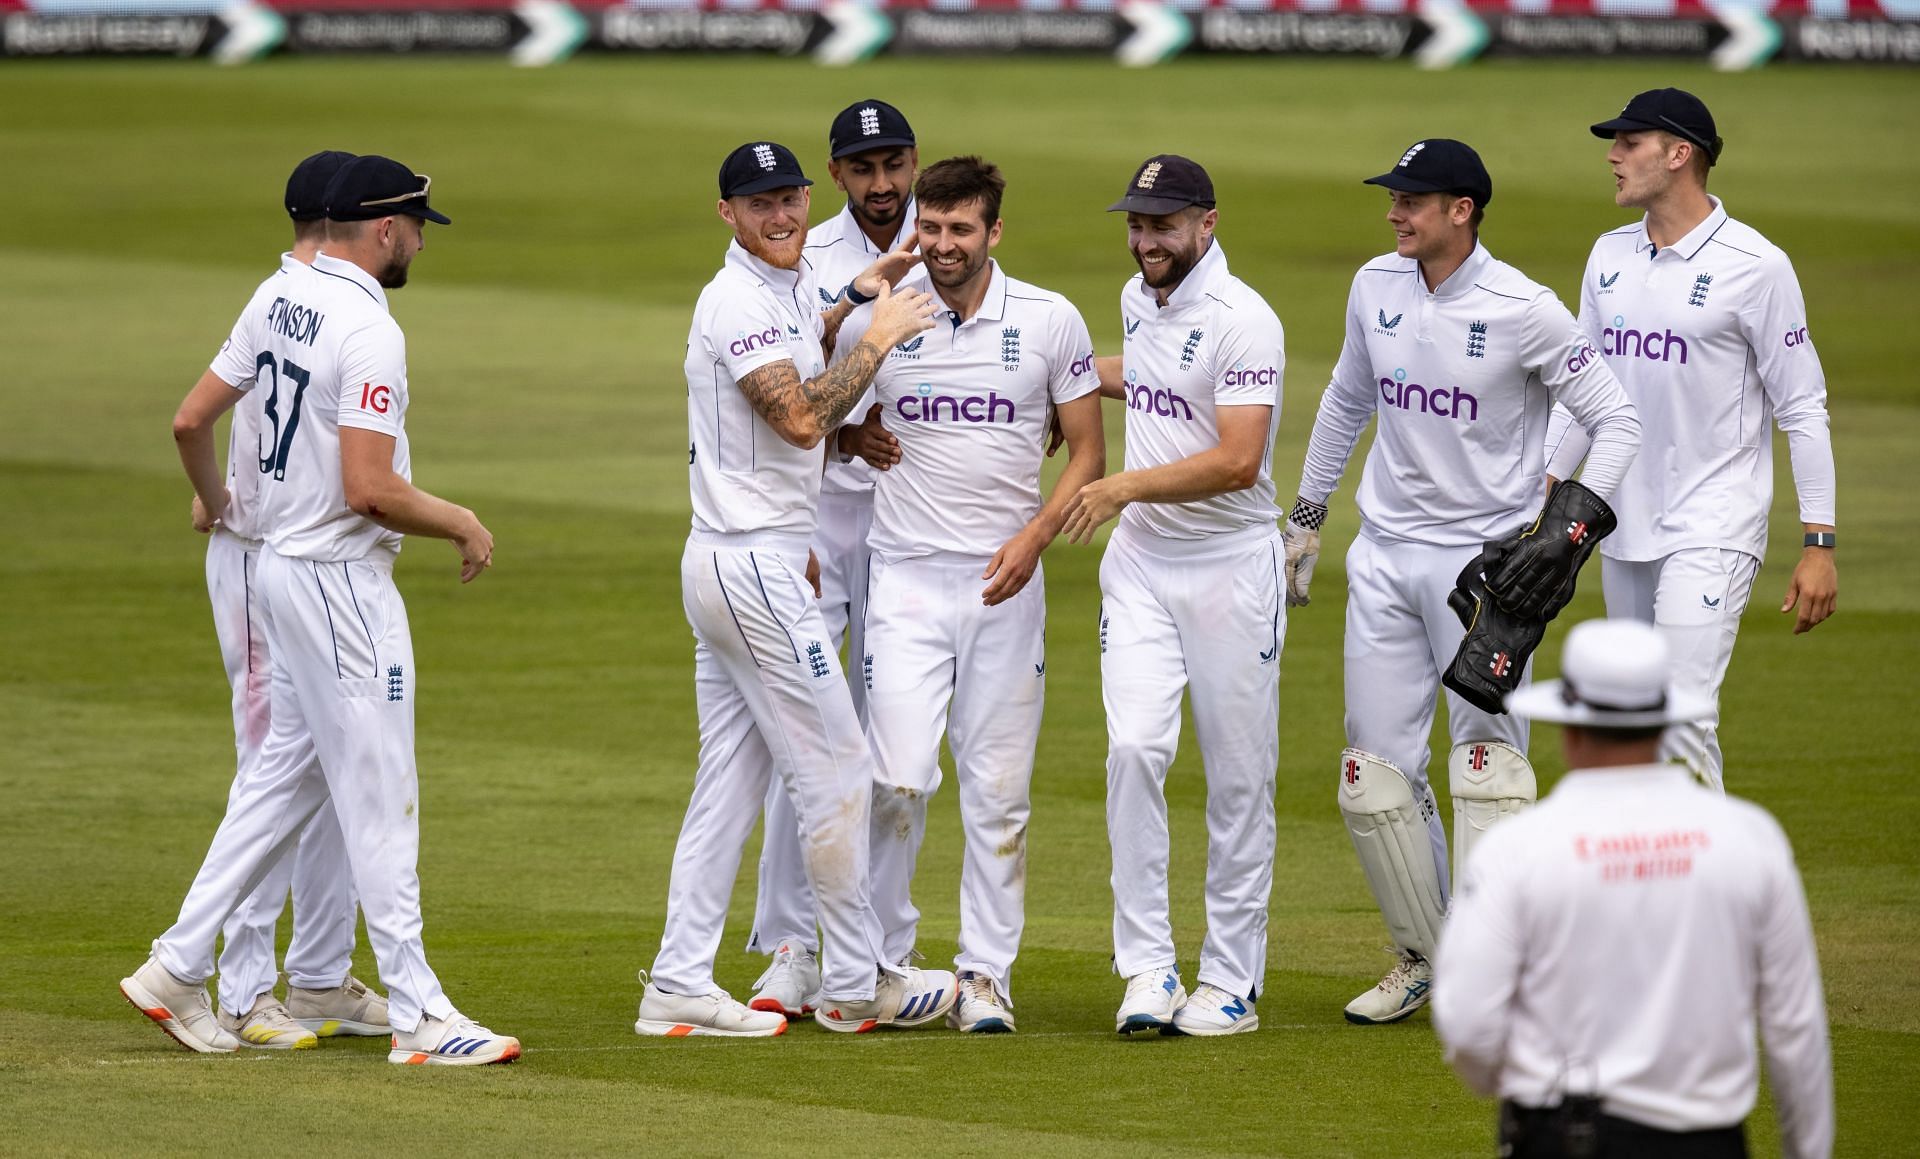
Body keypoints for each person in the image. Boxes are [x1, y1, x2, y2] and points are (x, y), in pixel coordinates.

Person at [126, 155, 520, 1065]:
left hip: (274, 572)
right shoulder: (370, 330)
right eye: (418, 224)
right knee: (380, 797)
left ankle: (178, 965)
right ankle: (422, 1016)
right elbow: (371, 488)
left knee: (281, 783)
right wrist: (460, 520)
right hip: (340, 584)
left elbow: (194, 419)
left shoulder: (279, 293)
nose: (422, 238)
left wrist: (224, 504)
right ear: (384, 231)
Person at [1283, 140, 1640, 1026]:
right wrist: (1306, 515)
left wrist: (1570, 526)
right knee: (1374, 776)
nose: (1396, 212)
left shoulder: (1525, 308)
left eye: (1413, 199)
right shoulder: (1376, 285)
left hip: (1483, 572)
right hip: (1383, 555)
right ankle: (1427, 958)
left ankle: (1509, 962)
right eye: (1394, 198)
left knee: (1488, 766)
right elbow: (1344, 399)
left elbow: (1617, 416)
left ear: (1462, 210)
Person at [635, 140, 955, 1038]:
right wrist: (882, 334)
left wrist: (851, 301)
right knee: (841, 762)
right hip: (751, 563)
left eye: (790, 200)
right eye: (758, 204)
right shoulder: (735, 297)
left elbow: (794, 349)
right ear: (727, 215)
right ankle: (858, 981)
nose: (779, 217)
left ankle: (678, 980)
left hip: (741, 557)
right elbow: (804, 415)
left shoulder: (773, 292)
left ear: (807, 201)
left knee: (731, 780)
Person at [836, 155, 1104, 1034]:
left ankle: (986, 975)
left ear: (994, 233)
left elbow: (1088, 453)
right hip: (905, 577)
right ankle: (883, 960)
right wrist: (856, 441)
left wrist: (1034, 539)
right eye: (932, 230)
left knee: (998, 789)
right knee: (897, 778)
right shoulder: (884, 319)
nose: (944, 247)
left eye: (962, 230)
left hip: (1004, 585)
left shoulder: (1050, 320)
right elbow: (819, 424)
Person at [1434, 618, 1833, 1159]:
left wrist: (1531, 1085)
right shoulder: (1748, 838)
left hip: (1564, 1133)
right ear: (1664, 722)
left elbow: (1469, 1026)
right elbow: (1796, 1031)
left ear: (1570, 728)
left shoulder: (1517, 849)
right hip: (1707, 1141)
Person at [1543, 88, 1838, 792]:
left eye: (1629, 143)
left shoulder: (1757, 266)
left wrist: (1819, 543)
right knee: (1632, 721)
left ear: (1680, 155)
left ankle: (1706, 894)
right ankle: (1649, 890)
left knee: (1678, 718)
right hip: (1620, 523)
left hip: (1713, 524)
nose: (1613, 156)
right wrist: (1545, 499)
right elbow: (1581, 388)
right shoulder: (1607, 255)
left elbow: (1803, 407)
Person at [1060, 154, 1287, 1037]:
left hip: (1232, 568)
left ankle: (1230, 980)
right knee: (1134, 751)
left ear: (1208, 224)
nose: (1146, 239)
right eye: (1137, 223)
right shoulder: (1136, 295)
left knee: (1237, 777)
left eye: (1163, 224)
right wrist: (1068, 383)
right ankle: (1149, 968)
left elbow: (1238, 461)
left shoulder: (1246, 322)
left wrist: (1121, 487)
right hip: (1146, 568)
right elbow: (1147, 374)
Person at [179, 150, 389, 1052]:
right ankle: (237, 985)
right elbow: (195, 419)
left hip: (280, 549)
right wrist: (228, 505)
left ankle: (314, 975)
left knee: (327, 772)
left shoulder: (288, 296)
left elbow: (229, 419)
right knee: (275, 768)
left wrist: (226, 485)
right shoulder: (304, 301)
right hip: (274, 560)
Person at [746, 99, 921, 1019]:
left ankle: (885, 941)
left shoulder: (952, 240)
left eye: (895, 163)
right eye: (864, 168)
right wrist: (846, 441)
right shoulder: (799, 254)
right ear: (838, 175)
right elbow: (774, 392)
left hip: (916, 529)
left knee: (894, 742)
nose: (883, 184)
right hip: (814, 520)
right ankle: (789, 944)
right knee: (805, 734)